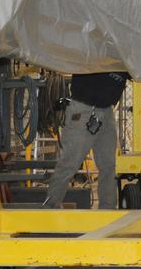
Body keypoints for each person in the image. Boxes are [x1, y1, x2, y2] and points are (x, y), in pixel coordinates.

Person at [44, 72, 129, 209]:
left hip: (106, 111)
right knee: (69, 163)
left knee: (108, 165)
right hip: (83, 110)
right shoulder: (94, 52)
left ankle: (108, 209)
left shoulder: (123, 55)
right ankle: (50, 207)